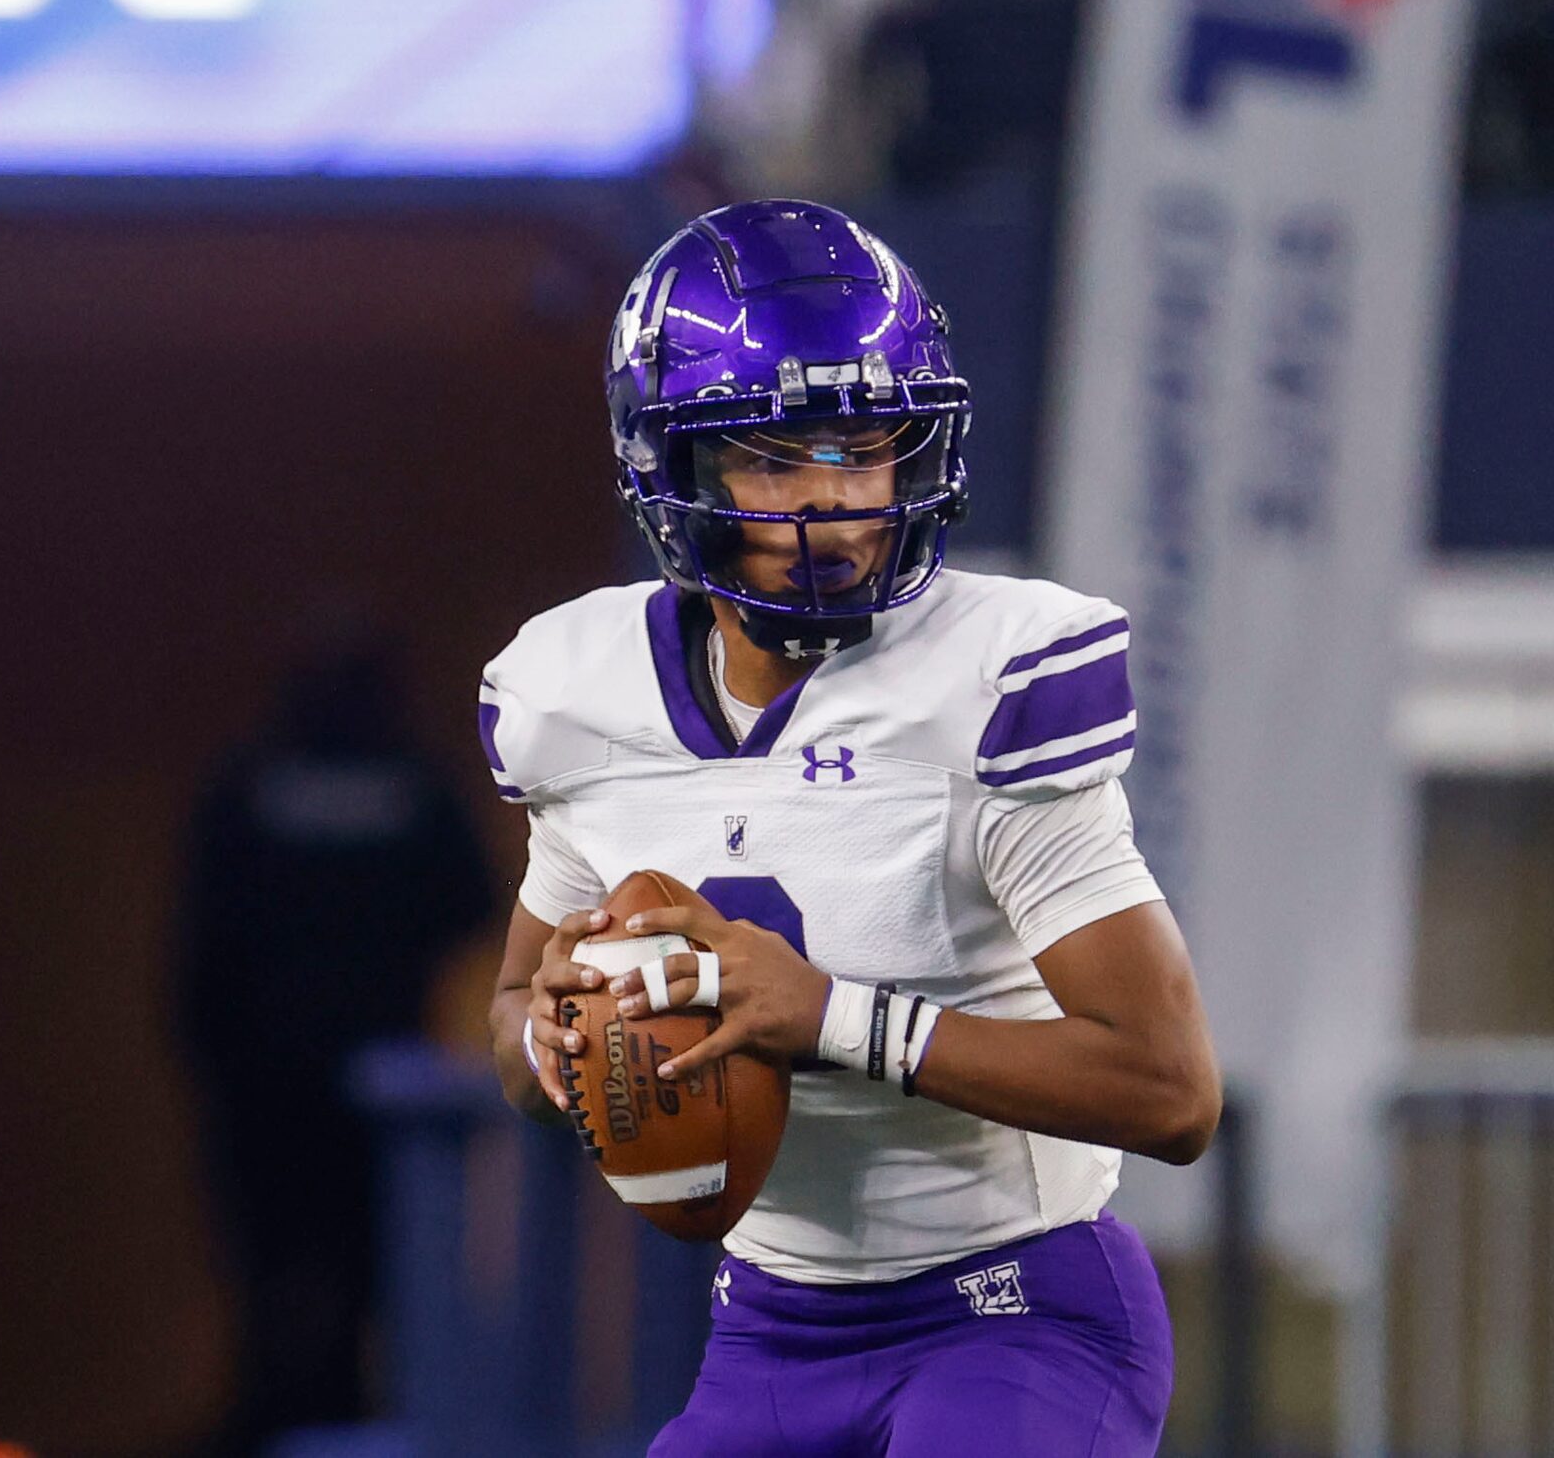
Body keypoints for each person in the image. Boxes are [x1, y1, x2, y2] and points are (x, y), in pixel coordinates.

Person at [480, 201, 1219, 1457]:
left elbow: (1168, 1092)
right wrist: (567, 1039)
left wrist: (825, 1015)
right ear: (675, 470)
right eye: (772, 460)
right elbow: (511, 1018)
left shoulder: (993, 677)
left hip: (1014, 1309)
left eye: (861, 450)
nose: (834, 505)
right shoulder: (574, 692)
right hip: (769, 1327)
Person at [179, 625, 492, 1455]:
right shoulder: (417, 794)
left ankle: (282, 1416)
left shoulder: (245, 791)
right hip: (374, 1091)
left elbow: (202, 953)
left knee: (272, 1275)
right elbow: (469, 900)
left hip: (265, 1091)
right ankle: (350, 1418)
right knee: (373, 1275)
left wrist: (216, 1053)